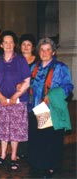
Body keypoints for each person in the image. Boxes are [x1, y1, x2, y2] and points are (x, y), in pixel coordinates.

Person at [28, 38, 74, 178]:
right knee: (37, 139)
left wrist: (52, 95)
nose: (45, 52)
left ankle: (50, 167)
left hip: (50, 109)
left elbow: (68, 87)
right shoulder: (34, 67)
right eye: (42, 49)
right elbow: (30, 85)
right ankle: (37, 166)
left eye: (48, 49)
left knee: (50, 140)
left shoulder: (61, 67)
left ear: (53, 52)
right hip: (35, 108)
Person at [0, 30, 30, 170]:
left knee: (15, 129)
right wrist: (1, 97)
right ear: (1, 44)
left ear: (14, 44)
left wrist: (15, 97)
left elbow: (27, 81)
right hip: (1, 101)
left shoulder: (20, 60)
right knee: (2, 128)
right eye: (5, 42)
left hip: (17, 101)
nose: (8, 44)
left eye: (10, 42)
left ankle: (13, 156)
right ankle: (2, 155)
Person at [17, 33, 38, 159]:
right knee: (21, 123)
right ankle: (22, 150)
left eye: (28, 45)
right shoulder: (17, 60)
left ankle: (34, 149)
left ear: (33, 47)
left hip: (34, 95)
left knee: (33, 123)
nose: (26, 47)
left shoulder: (38, 61)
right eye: (24, 44)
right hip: (20, 95)